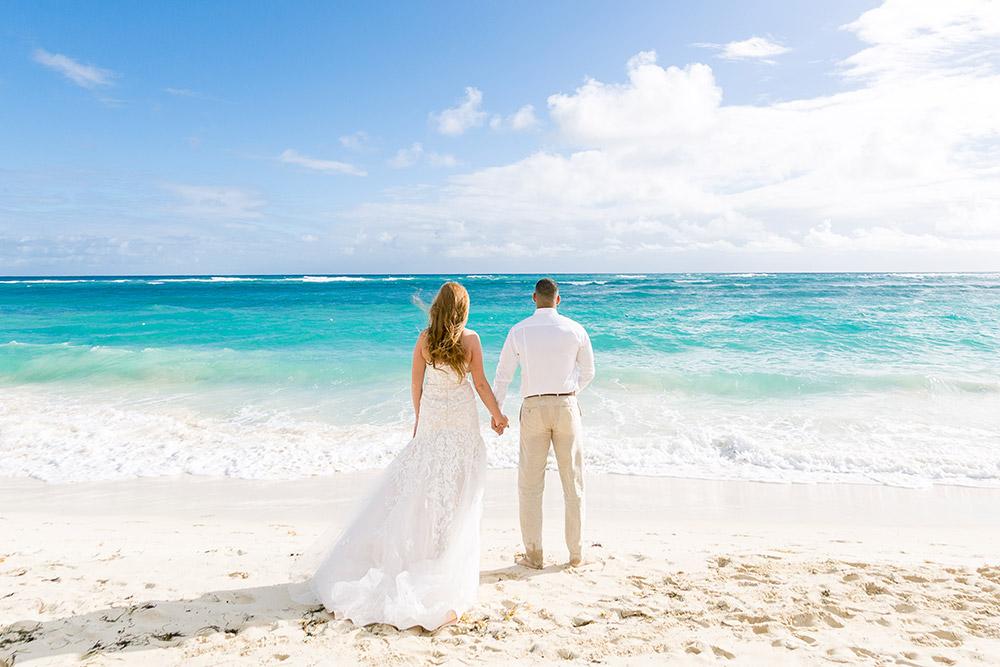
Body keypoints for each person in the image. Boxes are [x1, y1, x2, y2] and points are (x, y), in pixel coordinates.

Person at [290, 281, 508, 630]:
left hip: (434, 422)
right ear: (463, 310)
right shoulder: (471, 340)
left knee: (423, 489)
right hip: (461, 425)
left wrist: (420, 420)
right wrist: (497, 415)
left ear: (438, 306)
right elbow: (480, 383)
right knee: (459, 493)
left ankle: (430, 555)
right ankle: (442, 558)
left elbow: (415, 385)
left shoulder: (424, 340)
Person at [493, 277, 595, 569]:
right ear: (558, 299)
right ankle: (575, 555)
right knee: (573, 483)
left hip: (534, 407)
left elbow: (503, 374)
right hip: (566, 405)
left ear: (534, 298)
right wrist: (571, 391)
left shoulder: (519, 330)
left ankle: (534, 555)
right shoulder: (575, 329)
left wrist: (497, 412)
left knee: (529, 485)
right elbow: (588, 371)